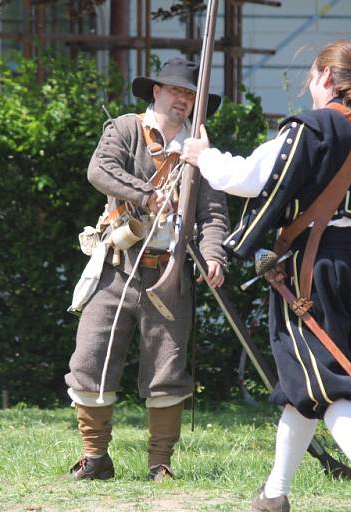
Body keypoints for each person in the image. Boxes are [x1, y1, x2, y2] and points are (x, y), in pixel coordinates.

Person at [182, 40, 351, 512]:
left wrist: (203, 155)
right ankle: (275, 492)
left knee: (327, 385)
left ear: (326, 80)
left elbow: (250, 178)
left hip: (313, 269)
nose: (309, 90)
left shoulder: (312, 129)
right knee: (307, 386)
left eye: (312, 80)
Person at [65, 57, 229, 481]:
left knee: (167, 370)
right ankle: (95, 457)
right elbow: (100, 170)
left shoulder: (199, 148)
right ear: (156, 91)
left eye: (191, 94)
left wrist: (214, 256)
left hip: (168, 272)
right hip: (116, 266)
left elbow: (212, 214)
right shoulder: (124, 128)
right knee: (91, 359)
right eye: (176, 90)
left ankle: (160, 464)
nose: (184, 99)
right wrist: (148, 194)